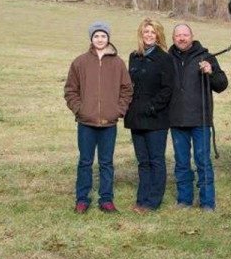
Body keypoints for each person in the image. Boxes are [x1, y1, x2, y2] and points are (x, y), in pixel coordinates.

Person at [64, 21, 133, 214]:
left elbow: (127, 89)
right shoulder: (80, 62)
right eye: (96, 36)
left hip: (109, 123)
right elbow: (70, 90)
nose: (100, 39)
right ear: (91, 39)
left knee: (106, 162)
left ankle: (106, 199)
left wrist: (118, 110)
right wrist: (80, 109)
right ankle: (82, 199)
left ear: (108, 38)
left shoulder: (118, 63)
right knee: (85, 161)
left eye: (103, 36)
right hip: (86, 122)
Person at [168, 24, 228, 212]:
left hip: (200, 120)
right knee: (181, 163)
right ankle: (184, 200)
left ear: (192, 37)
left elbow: (222, 84)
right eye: (178, 35)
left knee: (203, 161)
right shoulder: (167, 59)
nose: (182, 38)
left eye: (185, 35)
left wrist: (211, 72)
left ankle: (207, 202)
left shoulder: (206, 57)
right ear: (173, 38)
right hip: (177, 120)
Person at [124, 19, 174, 214]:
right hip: (136, 117)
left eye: (153, 32)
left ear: (158, 35)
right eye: (146, 31)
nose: (149, 35)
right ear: (141, 34)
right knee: (142, 161)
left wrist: (153, 107)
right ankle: (141, 199)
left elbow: (168, 89)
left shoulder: (164, 58)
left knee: (156, 160)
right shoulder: (134, 57)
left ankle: (153, 201)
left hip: (156, 118)